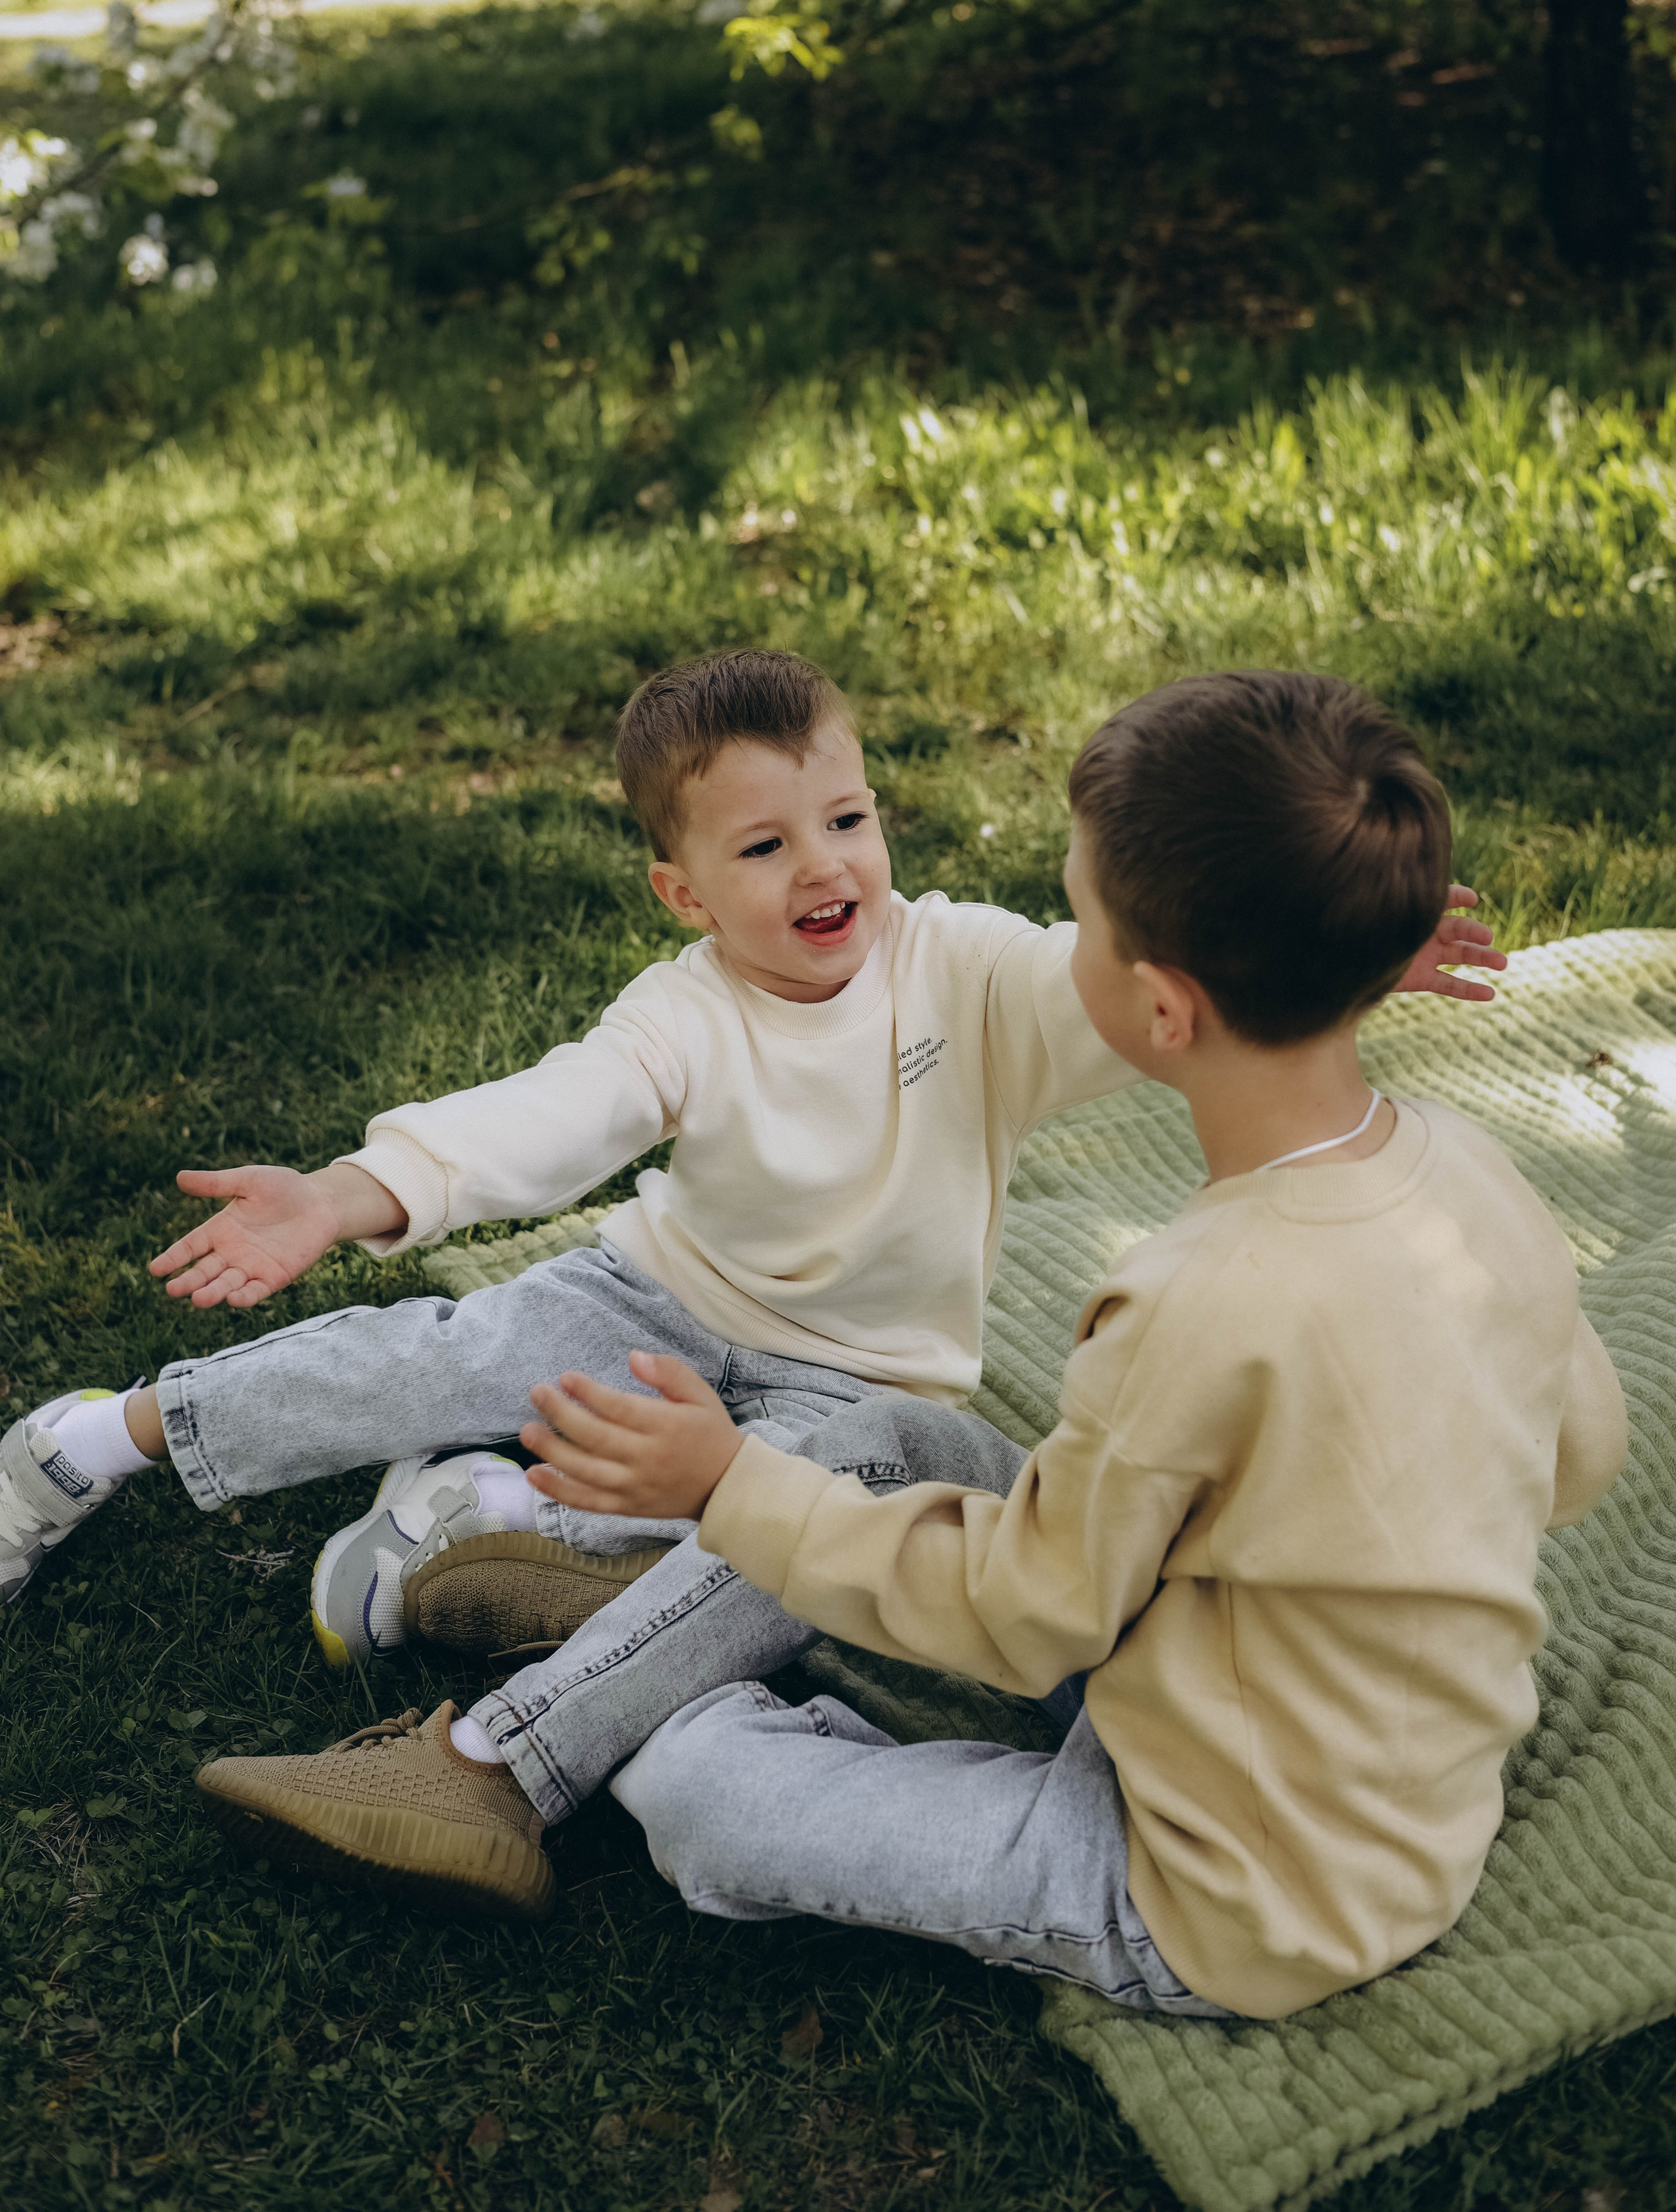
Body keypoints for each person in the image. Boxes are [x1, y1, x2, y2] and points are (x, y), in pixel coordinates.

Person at [187, 675, 1612, 2023]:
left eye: (1081, 926)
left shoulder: (1193, 1297)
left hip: (1230, 1881)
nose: (1056, 953)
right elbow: (1574, 1456)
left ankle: (564, 1711)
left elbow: (1031, 1615)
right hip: (1239, 1683)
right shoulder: (1468, 1176)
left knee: (695, 1790)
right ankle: (624, 1648)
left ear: (1161, 1009)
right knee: (868, 1437)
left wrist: (728, 1486)